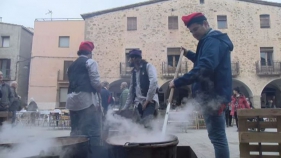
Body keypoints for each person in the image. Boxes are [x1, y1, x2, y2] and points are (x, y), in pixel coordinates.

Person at [169, 12, 233, 158]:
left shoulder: (213, 40)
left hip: (214, 96)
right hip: (211, 95)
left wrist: (178, 82)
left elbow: (205, 67)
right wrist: (189, 53)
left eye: (196, 29)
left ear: (205, 24)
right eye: (191, 31)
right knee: (216, 137)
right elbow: (202, 60)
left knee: (218, 138)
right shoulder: (209, 40)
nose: (193, 34)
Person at [66, 41, 102, 158]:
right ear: (90, 52)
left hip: (71, 101)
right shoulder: (90, 62)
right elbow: (95, 82)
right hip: (86, 100)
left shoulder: (70, 66)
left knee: (75, 130)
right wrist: (100, 88)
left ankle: (74, 154)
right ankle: (93, 155)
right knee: (92, 130)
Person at [121, 49, 159, 129]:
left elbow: (154, 81)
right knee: (139, 127)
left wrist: (148, 99)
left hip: (150, 101)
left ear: (134, 58)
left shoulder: (148, 66)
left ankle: (151, 140)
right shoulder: (134, 72)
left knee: (147, 124)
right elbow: (131, 91)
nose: (128, 61)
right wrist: (125, 108)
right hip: (138, 103)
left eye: (130, 58)